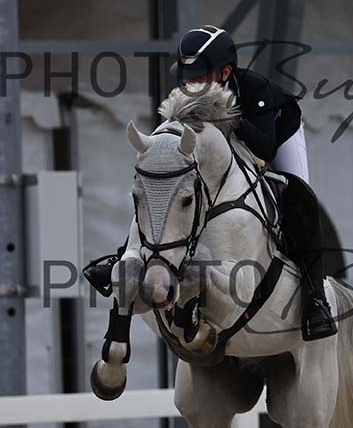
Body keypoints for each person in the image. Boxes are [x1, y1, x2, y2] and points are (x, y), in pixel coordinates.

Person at [84, 25, 337, 342]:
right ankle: (124, 254)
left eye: (199, 76)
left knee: (299, 196)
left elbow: (264, 149)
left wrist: (226, 117)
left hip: (274, 134)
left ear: (225, 72)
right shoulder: (187, 95)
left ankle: (316, 298)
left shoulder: (256, 90)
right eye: (186, 76)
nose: (190, 84)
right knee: (163, 186)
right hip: (223, 149)